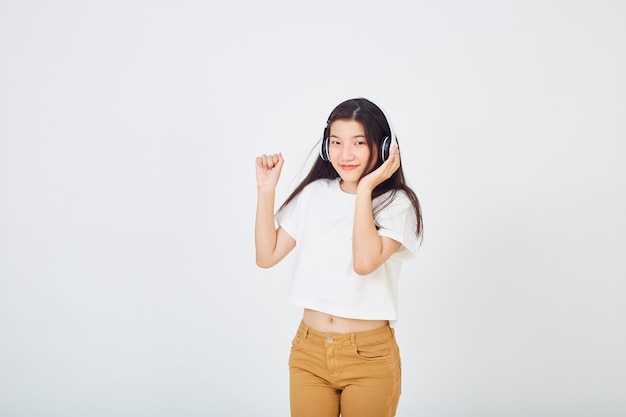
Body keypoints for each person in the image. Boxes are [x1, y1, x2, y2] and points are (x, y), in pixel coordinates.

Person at [254, 97, 423, 417]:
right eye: (336, 142)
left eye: (358, 142)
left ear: (384, 148)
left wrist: (364, 190)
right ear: (325, 146)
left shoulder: (396, 203)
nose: (345, 154)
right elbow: (267, 255)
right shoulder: (314, 194)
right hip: (309, 351)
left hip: (368, 357)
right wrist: (266, 192)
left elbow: (364, 262)